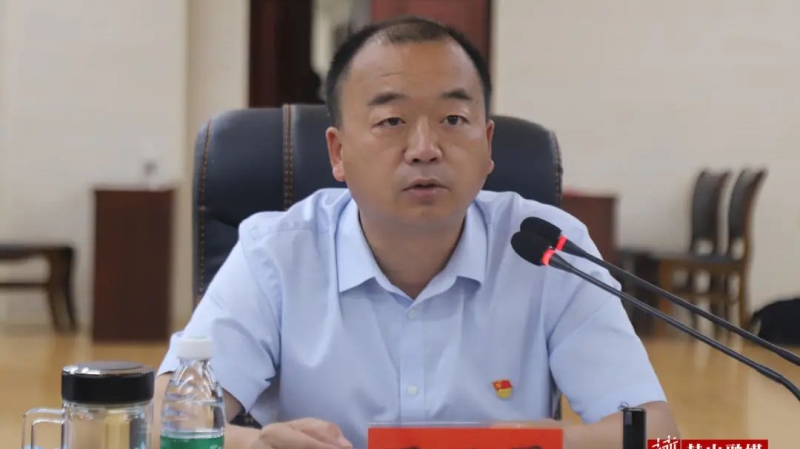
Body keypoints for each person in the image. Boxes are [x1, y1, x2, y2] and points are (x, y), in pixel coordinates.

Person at [152, 15, 679, 449]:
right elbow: (161, 421)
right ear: (338, 152)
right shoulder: (276, 253)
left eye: (453, 120)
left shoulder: (549, 249)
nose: (425, 148)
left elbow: (655, 435)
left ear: (487, 144)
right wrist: (258, 445)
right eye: (392, 121)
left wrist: (528, 443)